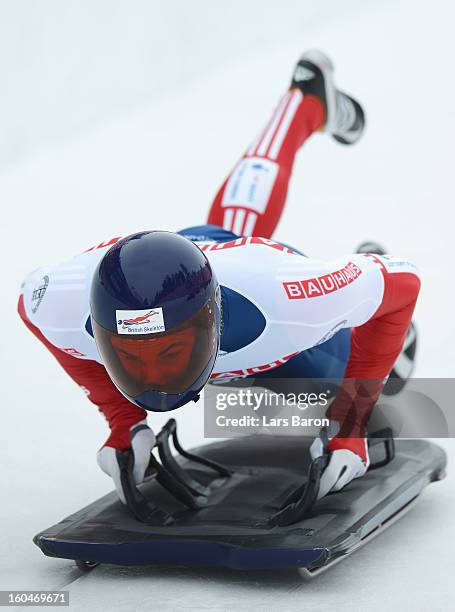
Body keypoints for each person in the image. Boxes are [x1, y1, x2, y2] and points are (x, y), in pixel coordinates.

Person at [18, 51, 420, 503]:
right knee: (235, 229)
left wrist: (350, 423)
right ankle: (307, 105)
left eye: (170, 352)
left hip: (263, 279)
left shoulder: (286, 303)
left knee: (385, 381)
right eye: (130, 356)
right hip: (204, 255)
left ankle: (358, 261)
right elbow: (28, 309)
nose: (156, 380)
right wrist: (122, 420)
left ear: (215, 319)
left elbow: (402, 285)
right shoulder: (61, 304)